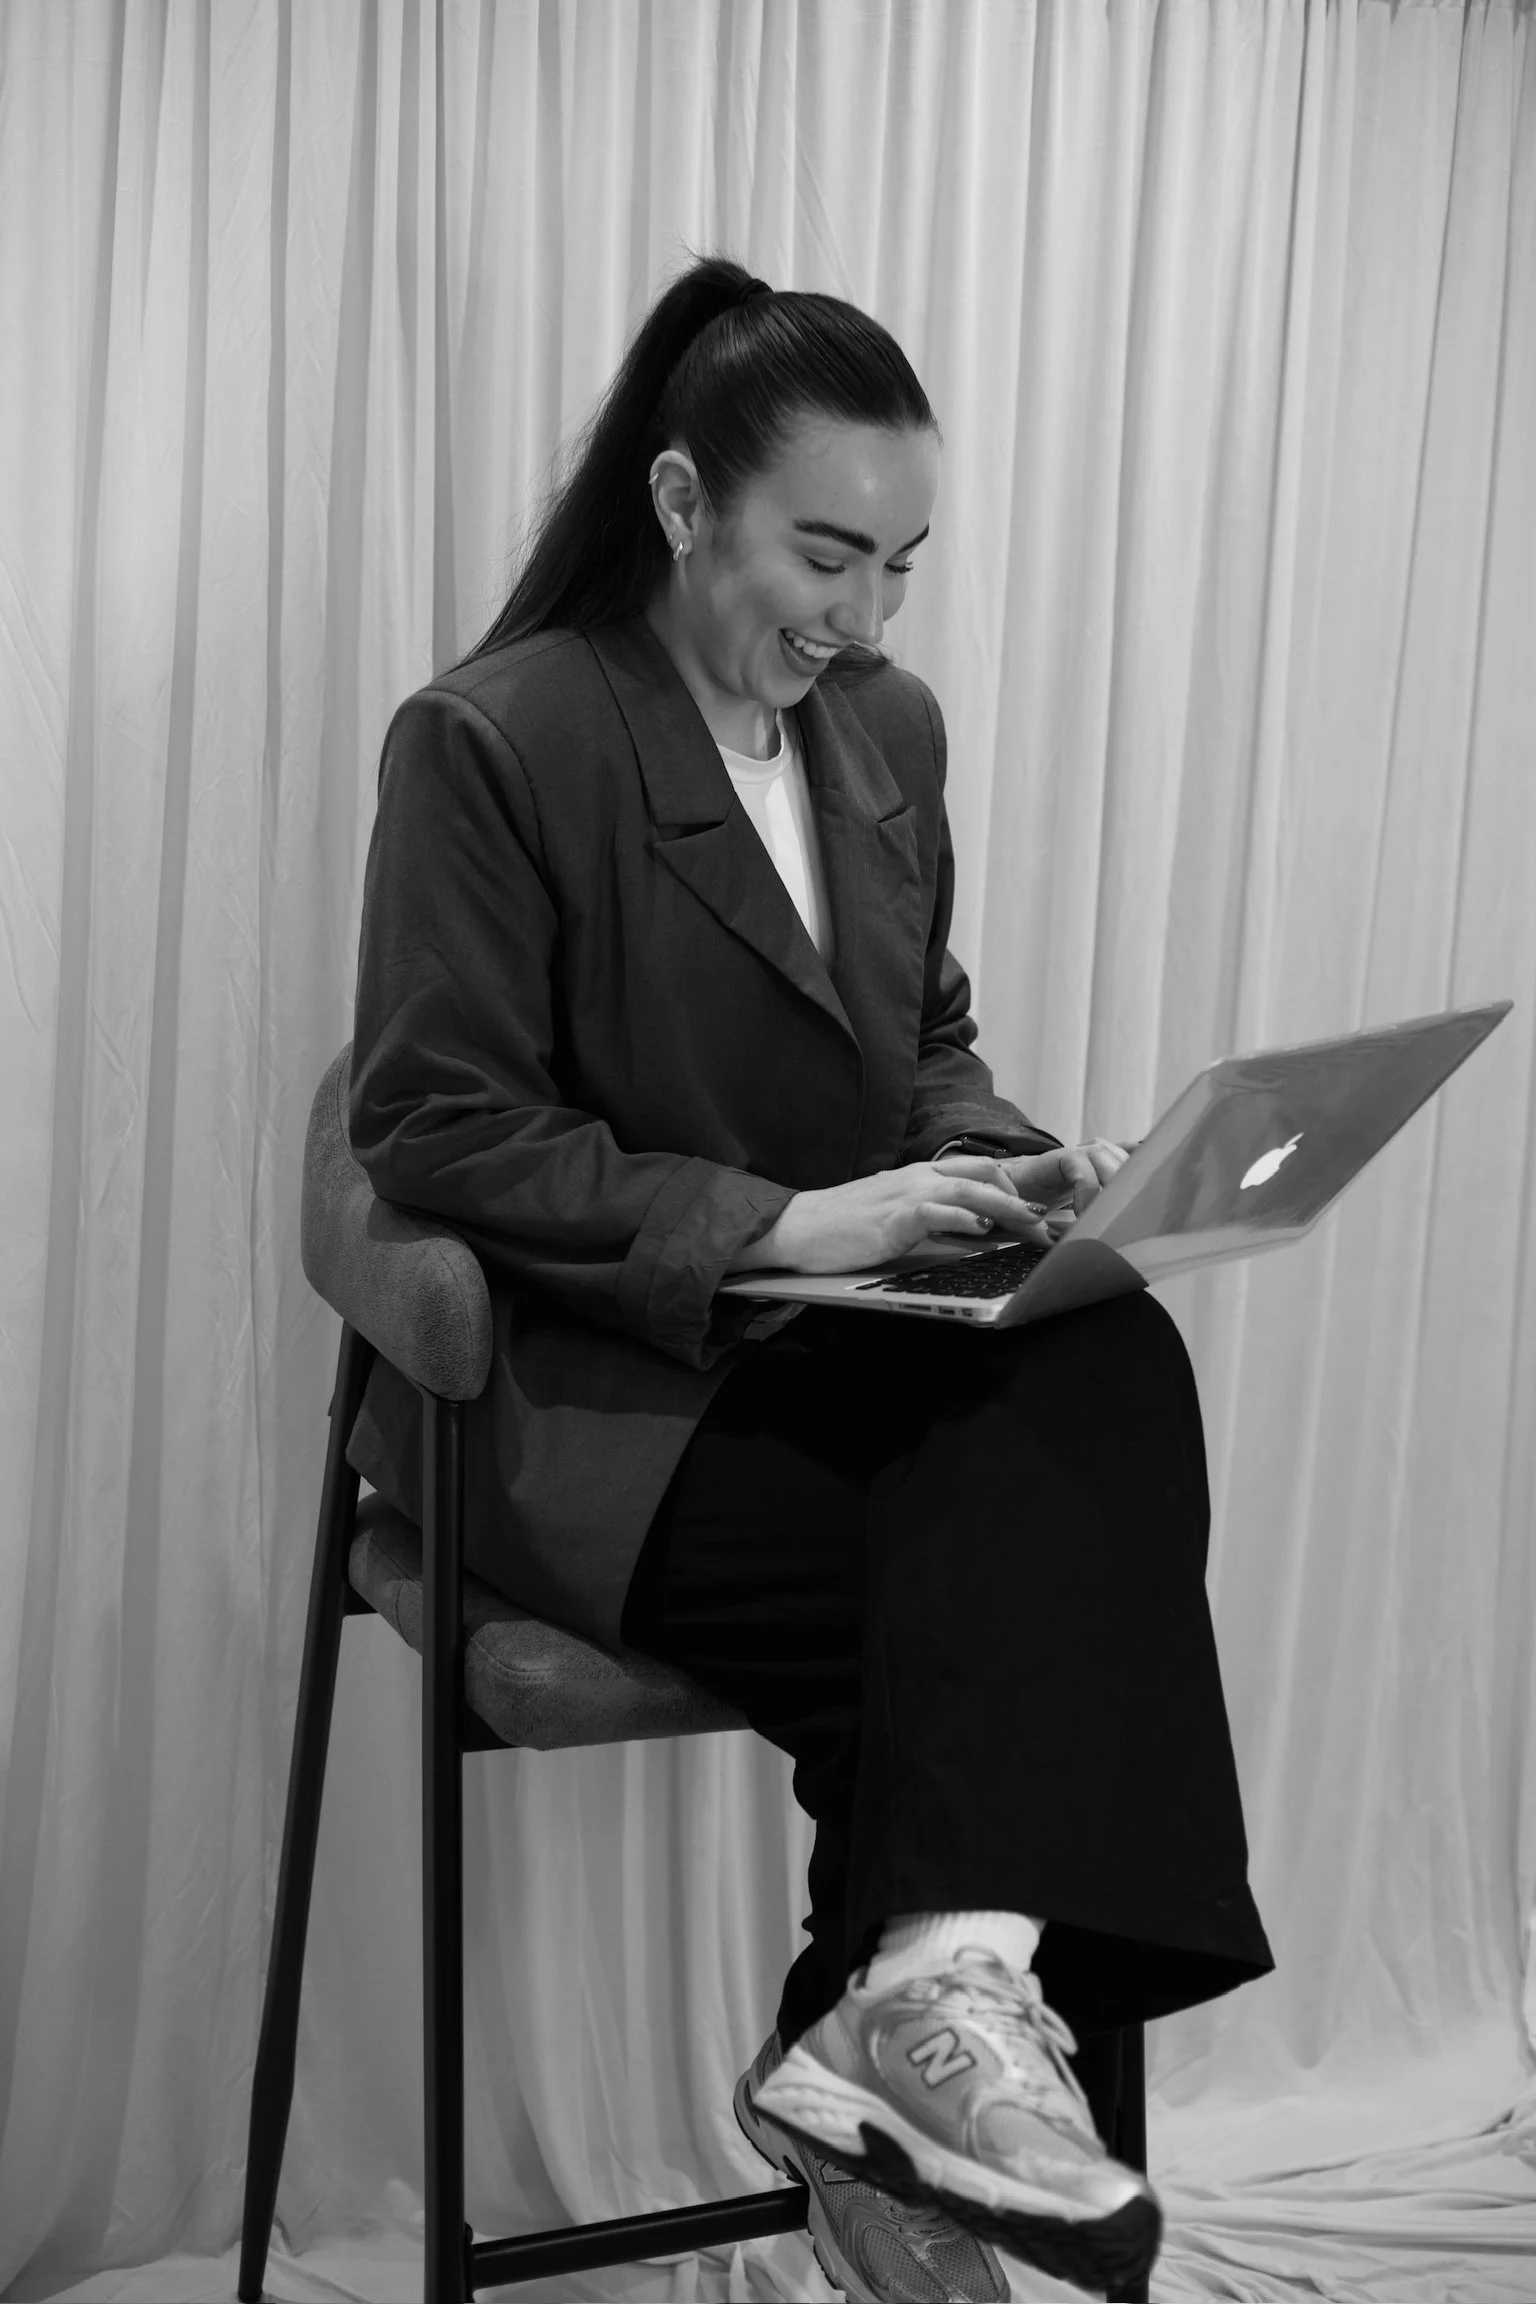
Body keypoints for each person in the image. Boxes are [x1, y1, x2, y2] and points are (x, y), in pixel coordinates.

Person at [345, 250, 1274, 2303]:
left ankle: (918, 2019)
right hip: (591, 1404)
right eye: (826, 558)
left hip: (831, 1356)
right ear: (683, 506)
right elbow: (431, 1128)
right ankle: (888, 2075)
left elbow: (920, 1048)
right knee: (1014, 1614)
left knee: (1106, 1358)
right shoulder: (491, 743)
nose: (861, 621)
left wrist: (1012, 1175)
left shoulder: (888, 736)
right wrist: (779, 1226)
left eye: (903, 568)